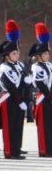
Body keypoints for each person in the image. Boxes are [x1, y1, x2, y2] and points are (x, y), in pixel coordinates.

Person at [0, 20, 27, 160]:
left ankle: (17, 150)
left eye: (17, 53)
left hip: (19, 100)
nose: (17, 55)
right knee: (10, 127)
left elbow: (22, 84)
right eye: (14, 53)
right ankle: (10, 151)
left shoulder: (20, 66)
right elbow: (9, 86)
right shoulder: (5, 67)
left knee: (18, 126)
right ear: (7, 55)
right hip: (9, 100)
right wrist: (19, 99)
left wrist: (26, 94)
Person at [29, 23, 52, 156]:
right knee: (44, 126)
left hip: (49, 97)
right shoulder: (36, 67)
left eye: (48, 53)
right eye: (45, 54)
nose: (47, 56)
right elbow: (39, 83)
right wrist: (49, 94)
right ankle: (44, 150)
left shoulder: (49, 65)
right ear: (39, 55)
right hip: (43, 98)